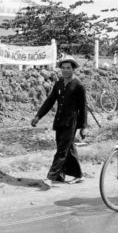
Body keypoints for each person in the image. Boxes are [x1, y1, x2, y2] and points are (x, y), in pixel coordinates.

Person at [31, 56, 86, 188]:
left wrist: (84, 127)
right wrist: (38, 116)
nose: (65, 70)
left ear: (73, 69)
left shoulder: (78, 85)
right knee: (68, 148)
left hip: (71, 122)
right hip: (59, 121)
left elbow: (82, 107)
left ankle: (51, 177)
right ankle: (76, 175)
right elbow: (50, 101)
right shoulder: (59, 83)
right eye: (63, 68)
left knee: (62, 150)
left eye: (68, 68)